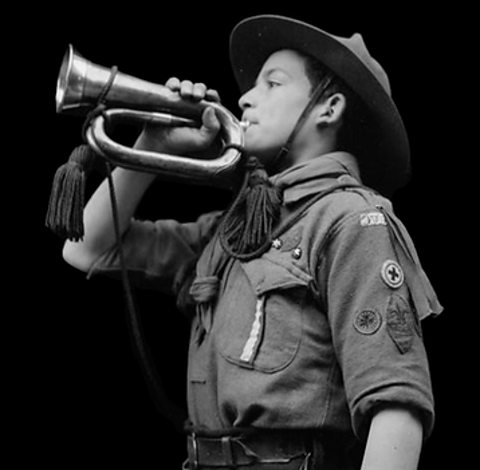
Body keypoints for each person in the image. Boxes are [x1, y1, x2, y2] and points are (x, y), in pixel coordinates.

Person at [61, 15, 442, 470]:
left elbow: (394, 410)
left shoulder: (352, 220)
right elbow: (86, 248)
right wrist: (152, 144)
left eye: (272, 84)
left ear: (329, 108)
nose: (244, 98)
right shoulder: (236, 228)